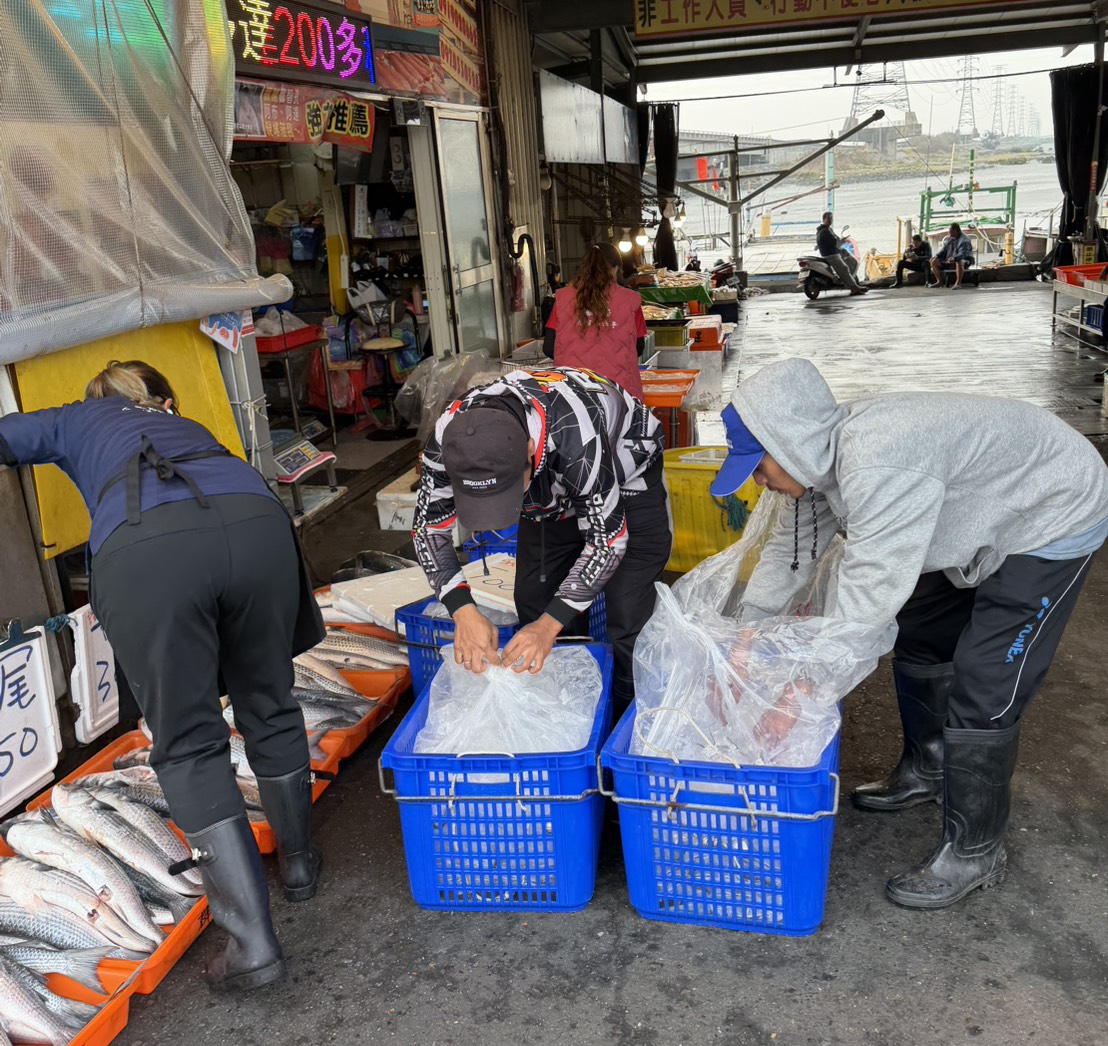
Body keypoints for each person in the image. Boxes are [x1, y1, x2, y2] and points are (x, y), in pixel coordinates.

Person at [710, 357, 1108, 910]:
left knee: (986, 680)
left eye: (759, 464)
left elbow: (869, 597)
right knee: (920, 627)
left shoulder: (879, 463)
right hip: (977, 508)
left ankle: (975, 849)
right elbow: (790, 551)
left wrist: (803, 692)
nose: (758, 480)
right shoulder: (819, 459)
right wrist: (746, 636)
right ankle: (927, 766)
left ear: (791, 440)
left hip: (1051, 511)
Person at [0, 361, 325, 991]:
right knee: (269, 702)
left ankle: (252, 944)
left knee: (190, 742)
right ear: (163, 397)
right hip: (255, 523)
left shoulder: (76, 419)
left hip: (148, 548)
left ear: (93, 399)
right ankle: (300, 866)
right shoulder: (186, 421)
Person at [412, 366, 671, 715]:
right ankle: (569, 714)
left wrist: (549, 627)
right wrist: (463, 611)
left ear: (530, 449)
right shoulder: (449, 438)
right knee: (534, 601)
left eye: (505, 492)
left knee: (628, 619)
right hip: (550, 492)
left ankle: (630, 723)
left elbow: (607, 541)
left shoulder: (577, 436)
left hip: (627, 469)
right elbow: (428, 530)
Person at [543, 242, 649, 399]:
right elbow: (639, 347)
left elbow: (549, 347)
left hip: (573, 393)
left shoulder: (564, 299)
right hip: (619, 394)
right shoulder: (629, 300)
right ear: (616, 269)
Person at [815, 212, 866, 296]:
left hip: (831, 253)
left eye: (831, 218)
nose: (830, 220)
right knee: (844, 269)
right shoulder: (825, 231)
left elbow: (834, 241)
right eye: (828, 219)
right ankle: (854, 288)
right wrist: (839, 240)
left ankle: (852, 285)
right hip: (831, 254)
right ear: (824, 219)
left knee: (845, 267)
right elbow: (834, 242)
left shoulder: (824, 230)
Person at [929, 223, 975, 289]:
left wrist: (955, 258)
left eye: (950, 231)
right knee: (933, 260)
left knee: (959, 261)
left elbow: (963, 253)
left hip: (964, 261)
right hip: (949, 260)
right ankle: (939, 281)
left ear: (955, 230)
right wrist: (937, 255)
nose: (949, 232)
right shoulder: (949, 238)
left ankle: (958, 283)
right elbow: (943, 250)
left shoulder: (964, 240)